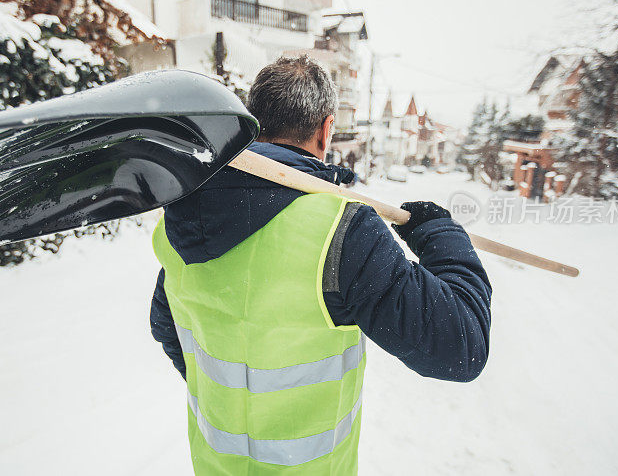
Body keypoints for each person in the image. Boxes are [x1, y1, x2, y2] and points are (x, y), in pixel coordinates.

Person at [150, 55, 492, 475]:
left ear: (254, 122)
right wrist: (441, 234)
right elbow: (461, 346)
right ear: (326, 129)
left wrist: (231, 401)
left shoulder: (181, 220)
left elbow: (166, 326)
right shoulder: (342, 230)